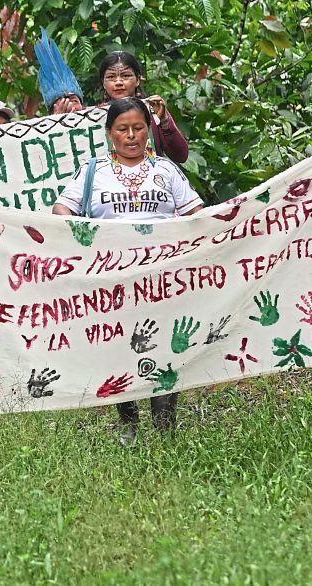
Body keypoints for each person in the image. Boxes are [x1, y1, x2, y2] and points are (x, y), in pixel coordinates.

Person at [53, 97, 203, 444]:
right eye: (123, 129)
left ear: (148, 131)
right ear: (109, 134)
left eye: (139, 128)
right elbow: (62, 209)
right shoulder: (92, 171)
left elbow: (196, 212)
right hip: (113, 282)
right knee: (121, 349)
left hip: (163, 280)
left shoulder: (166, 170)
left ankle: (165, 424)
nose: (132, 136)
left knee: (165, 348)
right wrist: (85, 236)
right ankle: (128, 424)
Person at [97, 51, 189, 164]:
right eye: (111, 77)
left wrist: (164, 121)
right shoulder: (92, 119)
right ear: (103, 83)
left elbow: (181, 156)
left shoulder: (154, 111)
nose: (119, 82)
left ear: (137, 80)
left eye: (126, 76)